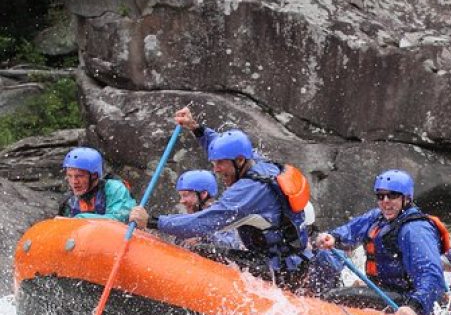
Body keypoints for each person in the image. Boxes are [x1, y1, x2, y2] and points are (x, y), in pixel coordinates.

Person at [129, 107, 312, 289]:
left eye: (220, 163)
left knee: (202, 251)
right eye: (214, 163)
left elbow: (203, 223)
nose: (215, 169)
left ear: (239, 161)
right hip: (289, 259)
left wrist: (152, 222)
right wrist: (195, 128)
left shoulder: (249, 191)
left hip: (281, 269)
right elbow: (220, 144)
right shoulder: (257, 163)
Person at [315, 169, 448, 315]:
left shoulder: (415, 230)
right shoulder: (378, 216)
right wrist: (333, 237)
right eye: (380, 196)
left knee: (332, 297)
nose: (385, 201)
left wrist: (414, 306)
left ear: (406, 198)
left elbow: (431, 272)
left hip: (408, 299)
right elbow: (352, 230)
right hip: (385, 290)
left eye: (392, 195)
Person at [59, 147, 136, 223]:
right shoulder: (69, 201)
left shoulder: (115, 189)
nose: (74, 181)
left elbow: (119, 220)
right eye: (69, 176)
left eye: (79, 176)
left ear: (94, 175)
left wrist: (80, 219)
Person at [173, 169, 242, 249]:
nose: (181, 201)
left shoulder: (223, 214)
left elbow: (232, 244)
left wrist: (201, 237)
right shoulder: (189, 218)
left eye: (185, 195)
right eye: (181, 196)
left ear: (203, 194)